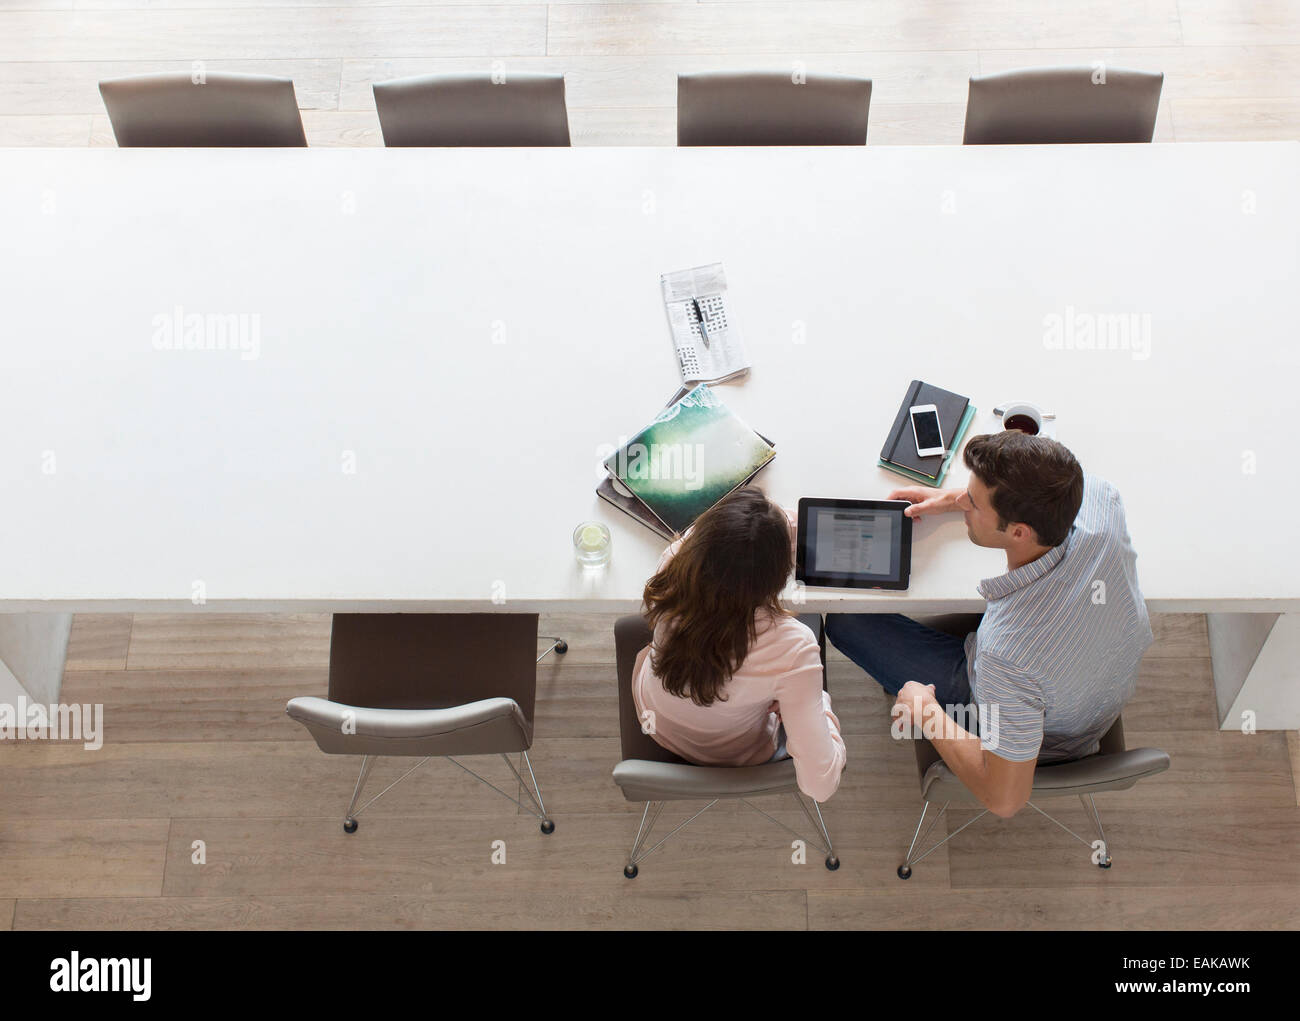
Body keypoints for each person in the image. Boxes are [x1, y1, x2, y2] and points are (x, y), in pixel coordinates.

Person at [826, 430, 1152, 818]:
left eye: (974, 503)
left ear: (1018, 531)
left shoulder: (1006, 654)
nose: (963, 502)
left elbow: (1005, 800)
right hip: (1086, 693)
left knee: (845, 620)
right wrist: (950, 500)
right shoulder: (1101, 501)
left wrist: (924, 708)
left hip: (1041, 739)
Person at [632, 487, 847, 802]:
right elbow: (821, 785)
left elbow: (711, 532)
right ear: (778, 579)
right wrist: (819, 701)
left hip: (656, 720)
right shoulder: (793, 649)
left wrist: (762, 524)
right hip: (736, 754)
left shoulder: (673, 565)